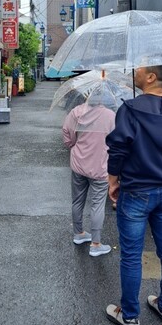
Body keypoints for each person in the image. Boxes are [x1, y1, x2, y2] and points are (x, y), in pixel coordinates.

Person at [104, 64, 162, 325]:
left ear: (152, 77)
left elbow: (118, 148)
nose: (136, 70)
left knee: (131, 255)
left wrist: (112, 180)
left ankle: (130, 315)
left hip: (136, 190)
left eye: (141, 68)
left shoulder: (130, 109)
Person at [62, 91, 116, 257]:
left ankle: (79, 233)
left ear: (87, 96)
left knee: (77, 200)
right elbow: (117, 141)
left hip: (78, 164)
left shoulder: (77, 112)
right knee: (97, 205)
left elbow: (67, 133)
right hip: (100, 167)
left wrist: (73, 146)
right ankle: (96, 244)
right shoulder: (110, 116)